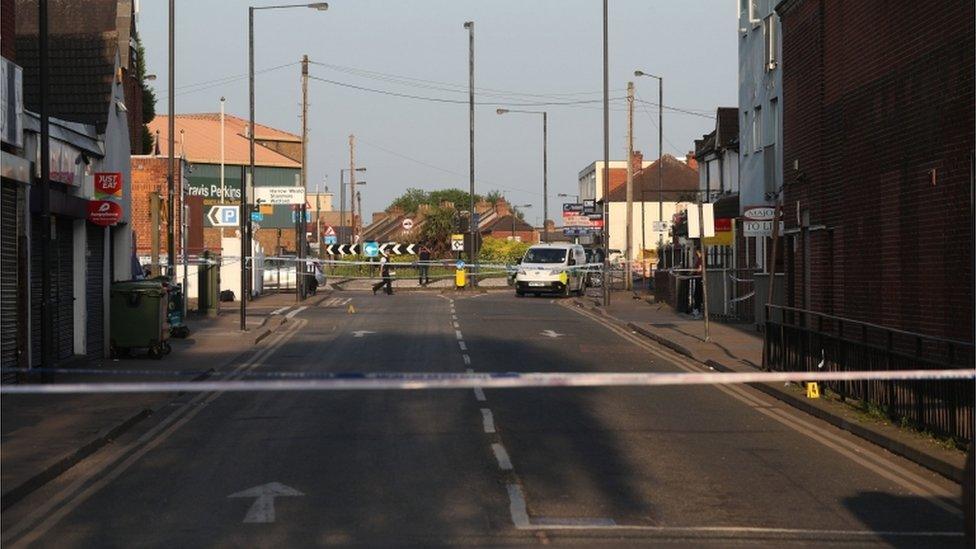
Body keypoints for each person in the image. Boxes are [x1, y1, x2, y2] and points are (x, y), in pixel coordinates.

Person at [691, 248, 703, 319]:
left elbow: (699, 269)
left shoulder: (701, 259)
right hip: (698, 278)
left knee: (697, 294)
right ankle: (696, 310)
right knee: (697, 294)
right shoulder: (700, 259)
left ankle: (697, 310)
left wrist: (693, 272)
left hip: (699, 278)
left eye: (697, 253)